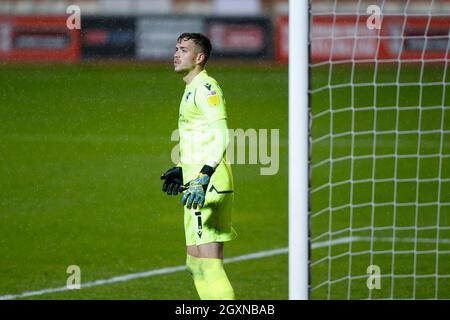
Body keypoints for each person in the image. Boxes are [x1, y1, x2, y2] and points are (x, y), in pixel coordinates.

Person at [160, 33, 237, 300]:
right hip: (195, 184)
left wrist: (204, 176)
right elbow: (198, 137)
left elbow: (222, 135)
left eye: (183, 49)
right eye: (176, 48)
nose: (176, 53)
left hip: (208, 185)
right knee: (194, 265)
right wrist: (182, 168)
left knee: (210, 265)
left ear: (199, 58)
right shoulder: (190, 89)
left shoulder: (207, 89)